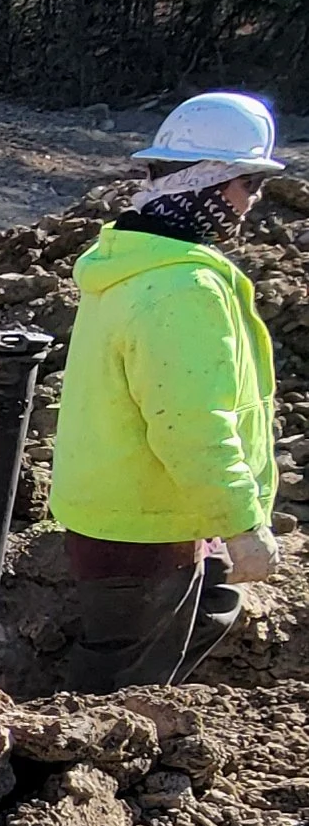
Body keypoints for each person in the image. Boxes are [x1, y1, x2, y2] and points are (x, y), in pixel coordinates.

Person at [47, 90, 287, 696]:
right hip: (143, 526)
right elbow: (190, 422)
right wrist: (239, 521)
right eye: (246, 186)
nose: (250, 204)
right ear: (208, 184)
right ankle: (63, 782)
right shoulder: (183, 290)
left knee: (206, 612)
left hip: (142, 511)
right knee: (118, 691)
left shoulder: (134, 263)